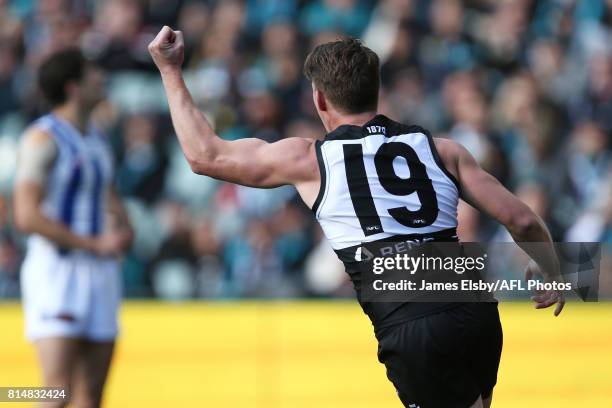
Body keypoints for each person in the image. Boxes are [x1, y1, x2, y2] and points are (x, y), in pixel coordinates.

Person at [148, 26, 565, 408]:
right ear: (375, 90)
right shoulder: (442, 149)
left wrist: (169, 70)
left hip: (411, 321)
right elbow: (522, 219)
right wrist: (555, 273)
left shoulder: (310, 159)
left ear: (320, 99)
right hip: (474, 309)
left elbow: (205, 156)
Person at [14, 49, 132, 408]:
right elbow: (26, 216)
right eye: (93, 72)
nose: (102, 78)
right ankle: (11, 398)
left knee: (91, 397)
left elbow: (108, 196)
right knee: (55, 391)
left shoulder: (97, 138)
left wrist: (126, 226)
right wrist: (92, 243)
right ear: (74, 87)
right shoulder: (42, 139)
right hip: (57, 271)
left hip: (101, 273)